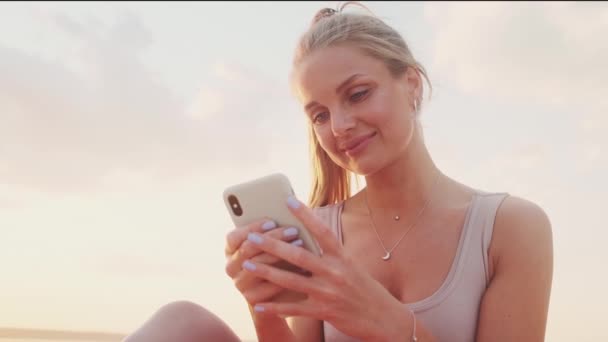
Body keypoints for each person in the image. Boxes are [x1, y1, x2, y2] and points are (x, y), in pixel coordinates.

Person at [123, 2, 553, 341]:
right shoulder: (318, 231)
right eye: (319, 115)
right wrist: (265, 304)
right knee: (179, 324)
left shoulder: (508, 228)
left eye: (358, 94)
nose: (340, 126)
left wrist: (395, 327)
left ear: (412, 85)